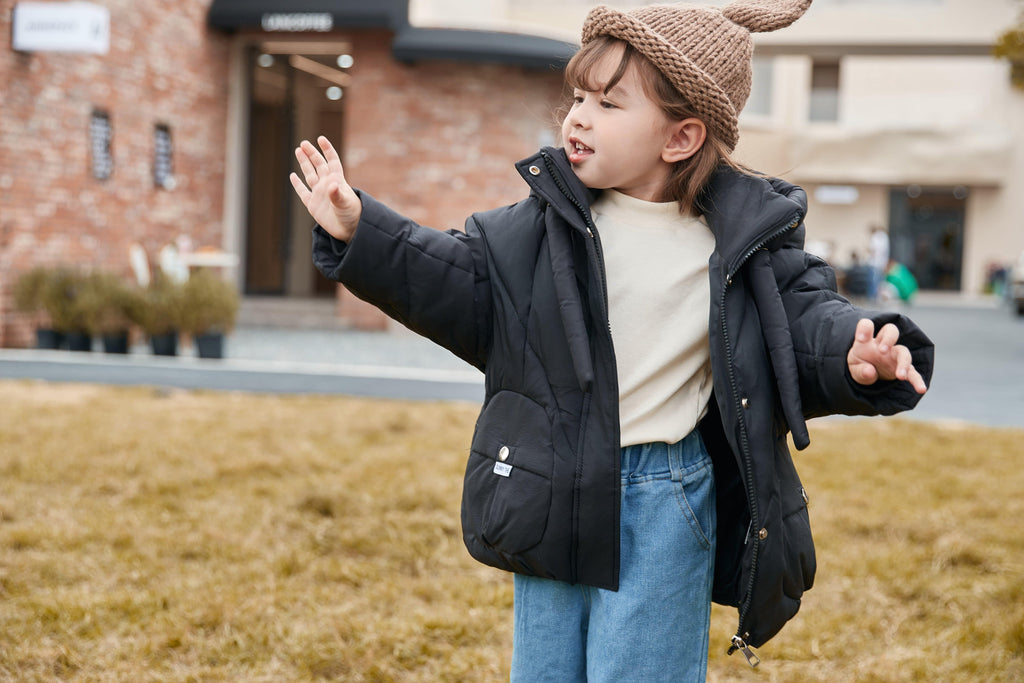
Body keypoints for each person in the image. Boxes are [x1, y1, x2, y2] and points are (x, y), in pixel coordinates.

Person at [289, 1, 934, 680]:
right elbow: (452, 277)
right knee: (546, 667)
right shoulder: (538, 228)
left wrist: (855, 355)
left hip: (666, 495)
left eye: (608, 102)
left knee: (640, 667)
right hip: (552, 482)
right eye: (577, 96)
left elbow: (802, 324)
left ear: (680, 137)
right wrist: (361, 228)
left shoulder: (744, 241)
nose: (578, 115)